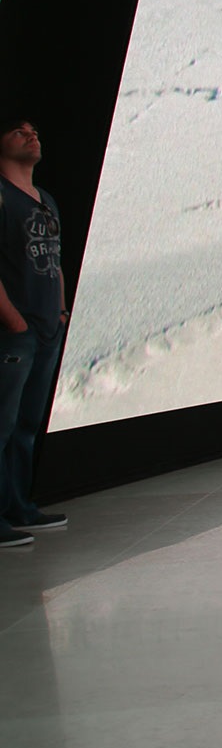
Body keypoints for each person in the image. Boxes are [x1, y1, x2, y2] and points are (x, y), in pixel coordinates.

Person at [0, 118, 67, 545]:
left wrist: (59, 311)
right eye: (17, 130)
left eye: (34, 130)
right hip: (15, 333)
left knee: (24, 427)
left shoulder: (45, 200)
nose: (31, 134)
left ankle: (18, 507)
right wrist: (14, 320)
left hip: (44, 330)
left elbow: (55, 260)